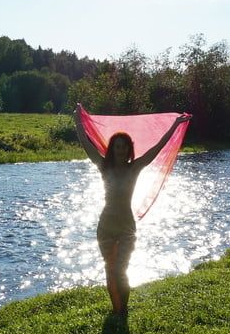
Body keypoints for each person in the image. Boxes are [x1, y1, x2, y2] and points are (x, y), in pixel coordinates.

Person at [74, 104, 192, 316]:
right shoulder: (104, 167)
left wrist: (175, 124)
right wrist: (78, 119)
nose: (121, 150)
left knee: (121, 271)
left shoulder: (135, 167)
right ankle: (116, 310)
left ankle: (123, 311)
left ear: (129, 150)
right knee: (110, 271)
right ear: (113, 149)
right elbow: (85, 142)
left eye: (124, 147)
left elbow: (158, 147)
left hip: (127, 226)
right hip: (106, 226)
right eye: (117, 147)